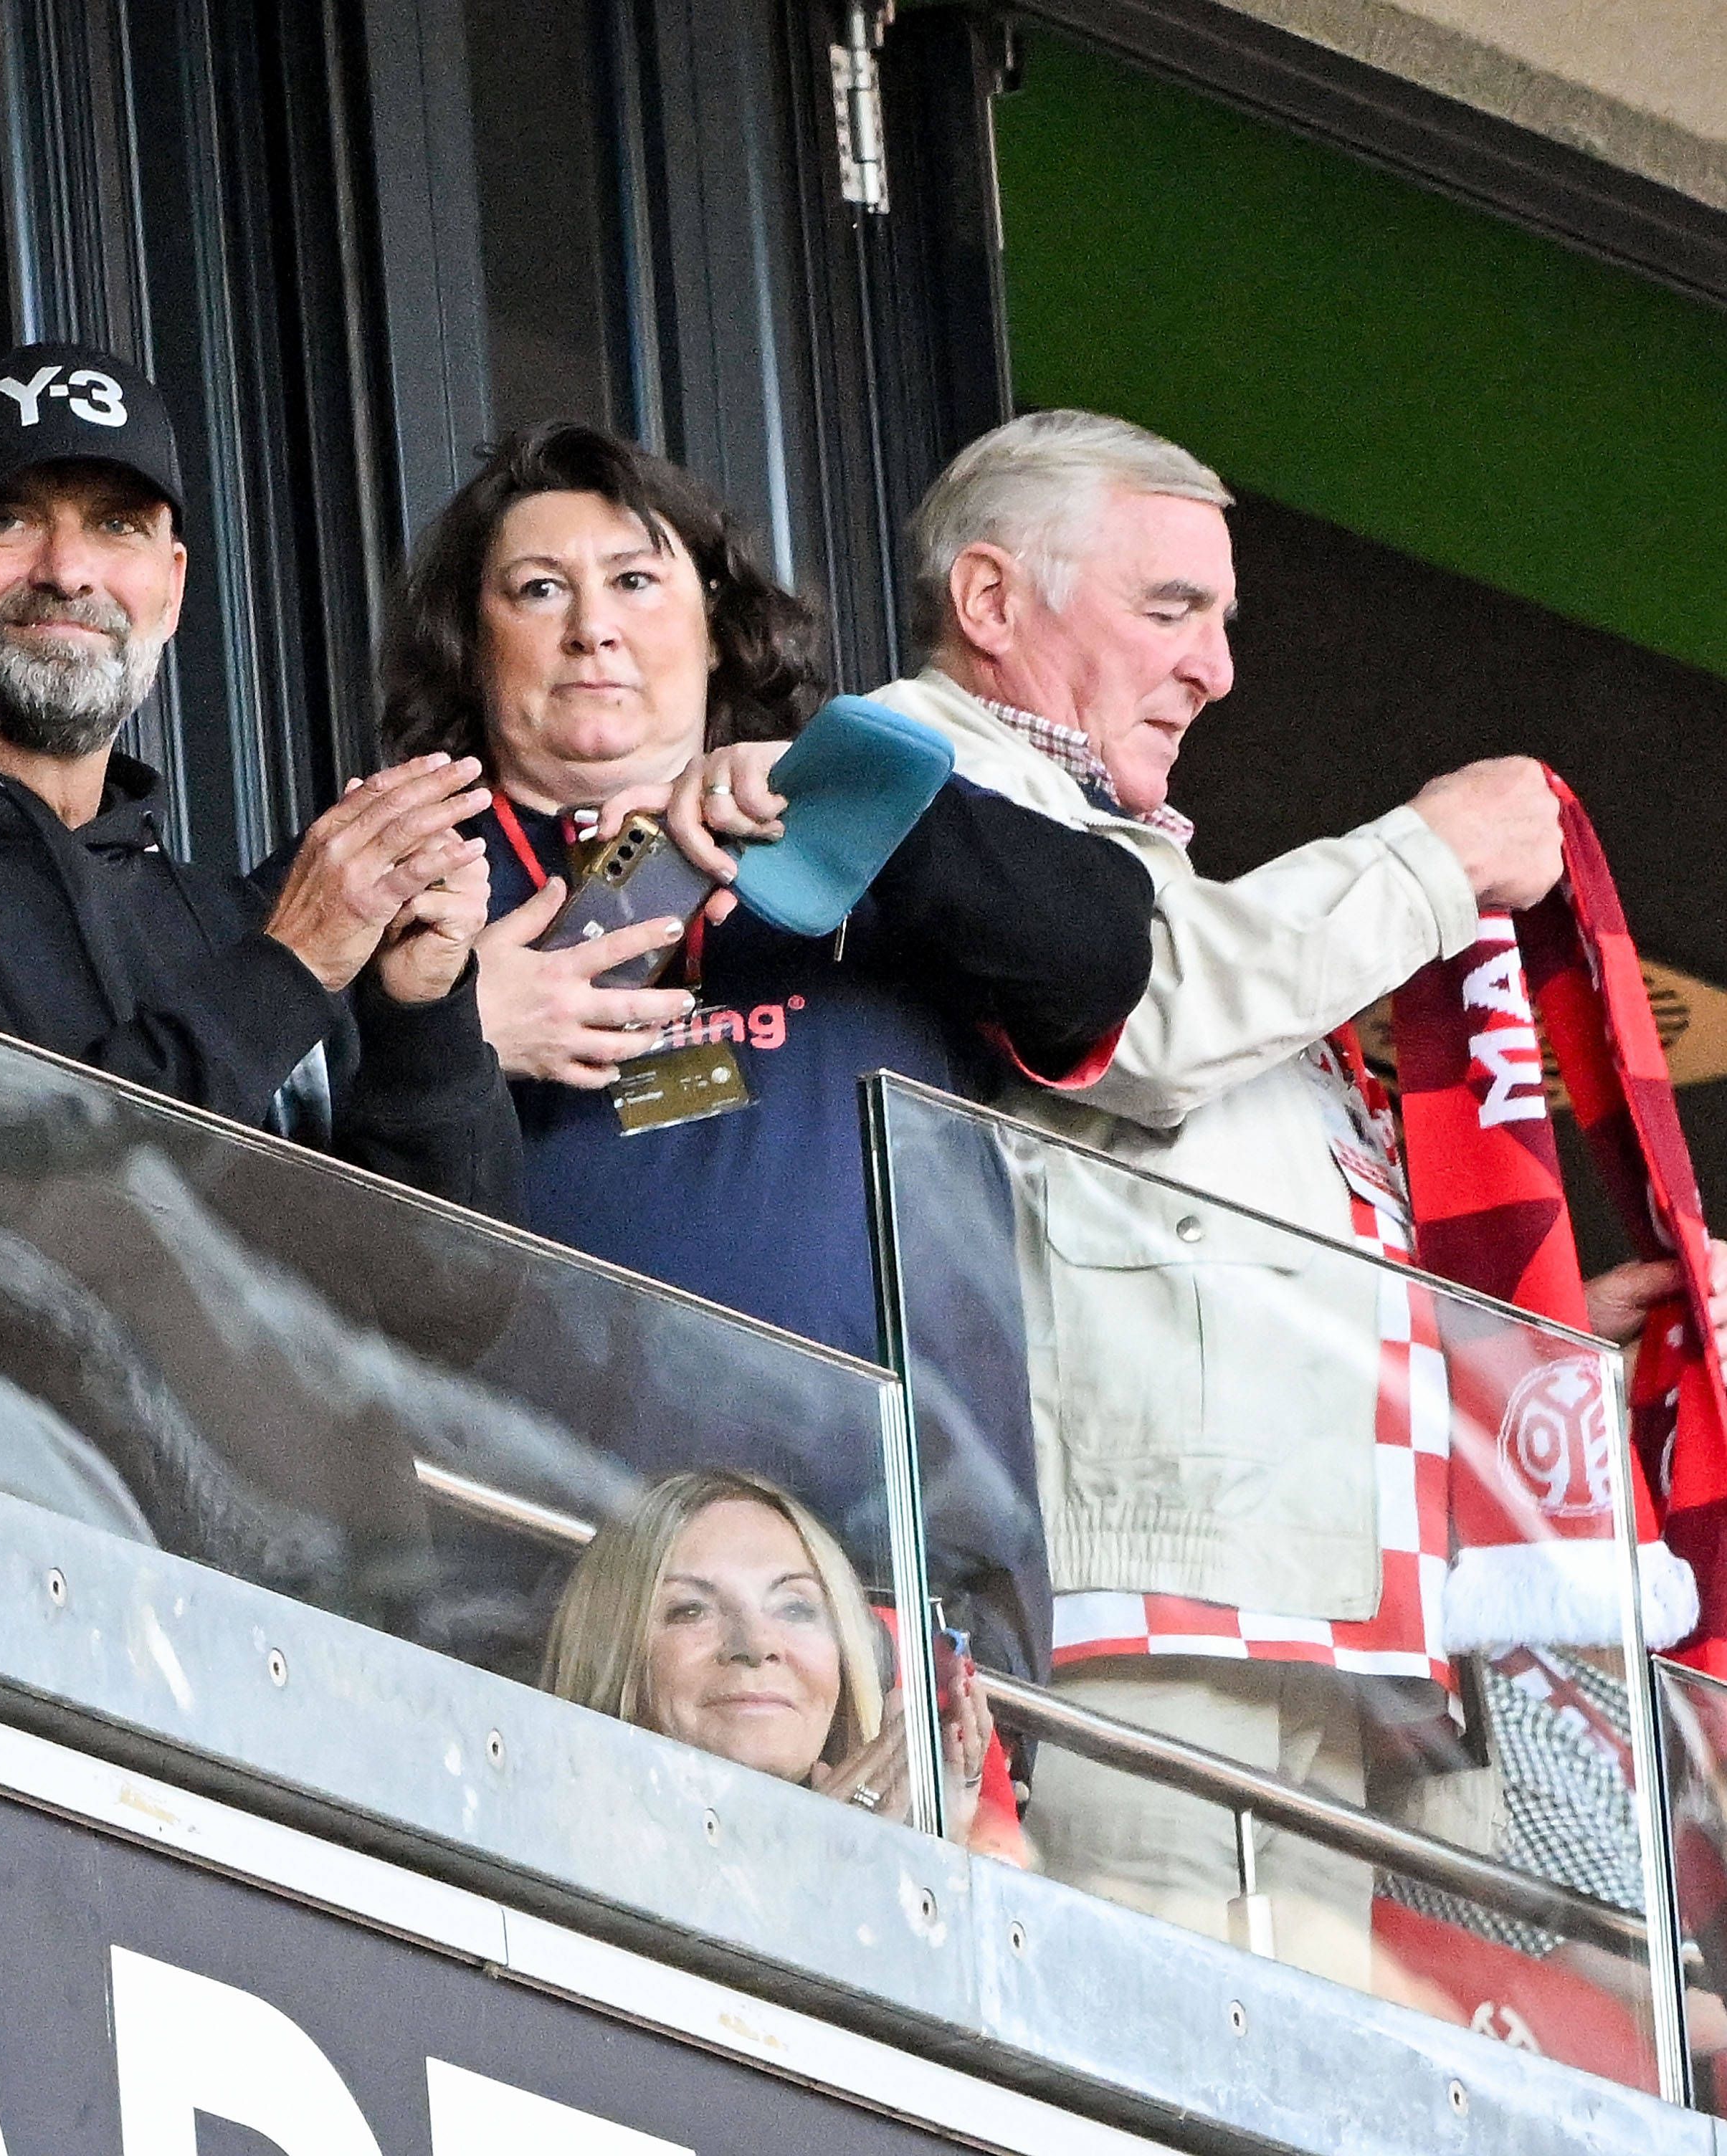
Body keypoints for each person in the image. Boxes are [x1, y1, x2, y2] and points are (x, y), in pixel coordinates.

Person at [852, 408, 1724, 1987]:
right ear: (988, 599)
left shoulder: (1140, 857)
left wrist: (1547, 1343)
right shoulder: (911, 774)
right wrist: (1427, 859)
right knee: (1161, 2038)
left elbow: (1239, 1246)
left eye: (1222, 621)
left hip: (1300, 1611)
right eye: (1169, 609)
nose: (1215, 670)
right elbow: (1150, 1024)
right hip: (1141, 1606)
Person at [381, 421, 1157, 1682]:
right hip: (533, 1614)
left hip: (897, 1608)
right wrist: (445, 1027)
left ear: (715, 628)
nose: (594, 628)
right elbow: (254, 1195)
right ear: (472, 644)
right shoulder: (392, 876)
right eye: (538, 590)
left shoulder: (860, 830)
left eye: (637, 580)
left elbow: (1103, 956)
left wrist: (858, 801)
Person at [0, 343, 517, 1213]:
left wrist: (419, 1013)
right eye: (9, 519)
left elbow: (451, 1284)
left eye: (117, 525)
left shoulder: (227, 924)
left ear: (172, 590)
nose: (67, 570)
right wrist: (288, 971)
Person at [543, 1467, 994, 1833]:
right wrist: (819, 1869)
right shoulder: (542, 1842)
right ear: (612, 1654)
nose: (757, 1646)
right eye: (691, 1610)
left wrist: (937, 1850)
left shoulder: (914, 1861)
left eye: (795, 1608)